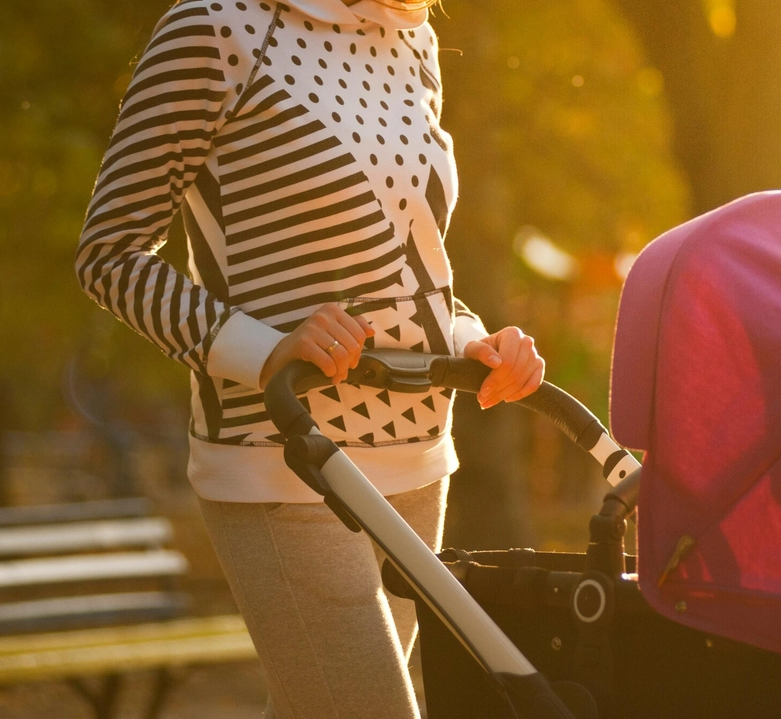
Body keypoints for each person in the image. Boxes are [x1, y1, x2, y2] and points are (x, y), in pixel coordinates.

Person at [74, 0, 545, 716]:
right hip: (284, 454)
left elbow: (409, 262)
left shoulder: (407, 32)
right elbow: (109, 256)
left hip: (417, 457)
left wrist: (469, 341)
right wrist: (264, 351)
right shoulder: (214, 29)